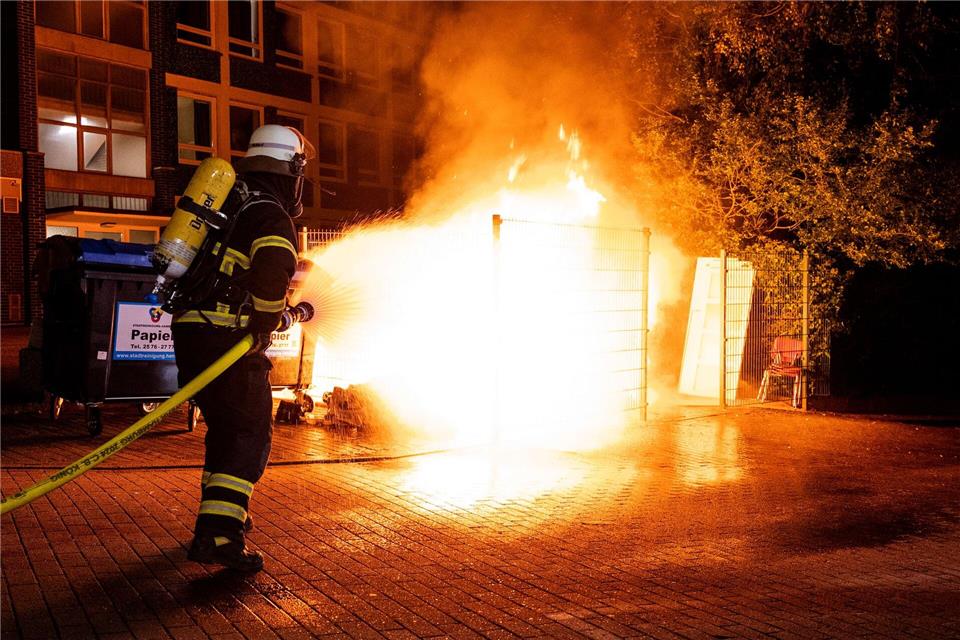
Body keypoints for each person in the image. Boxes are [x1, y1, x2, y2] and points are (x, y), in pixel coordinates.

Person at [172, 125, 313, 571]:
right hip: (226, 339)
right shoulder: (270, 213)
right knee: (249, 433)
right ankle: (219, 536)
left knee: (226, 430)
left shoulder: (230, 202)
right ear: (290, 170)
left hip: (191, 334)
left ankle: (223, 516)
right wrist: (268, 322)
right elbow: (272, 274)